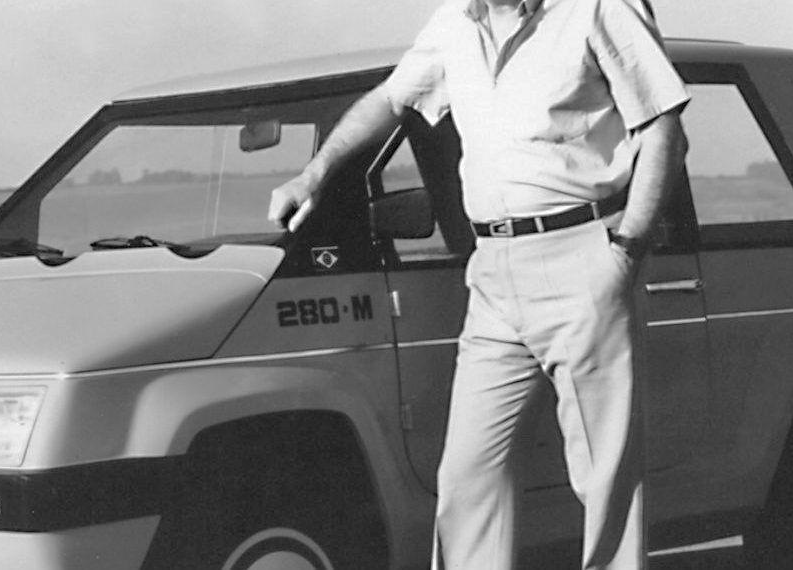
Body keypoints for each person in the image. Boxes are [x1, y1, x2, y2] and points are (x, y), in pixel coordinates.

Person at [268, 0, 689, 567]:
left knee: (604, 476)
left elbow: (664, 125)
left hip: (582, 255)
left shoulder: (596, 7)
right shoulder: (454, 23)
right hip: (491, 269)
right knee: (468, 477)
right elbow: (392, 100)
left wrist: (627, 248)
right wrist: (313, 174)